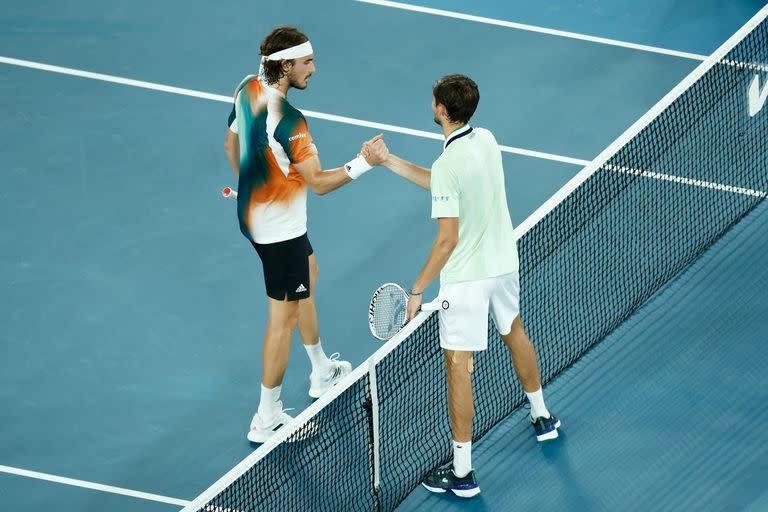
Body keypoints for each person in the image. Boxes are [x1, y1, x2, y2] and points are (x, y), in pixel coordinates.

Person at [364, 74, 559, 497]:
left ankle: (463, 471)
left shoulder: (449, 163)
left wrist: (417, 289)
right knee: (515, 332)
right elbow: (443, 182)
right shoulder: (485, 139)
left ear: (440, 110)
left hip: (467, 279)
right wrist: (389, 161)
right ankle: (543, 416)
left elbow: (447, 238)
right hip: (504, 263)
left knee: (458, 367)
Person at [223, 26, 388, 443]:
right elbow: (318, 182)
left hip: (256, 219)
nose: (313, 69)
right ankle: (267, 416)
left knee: (309, 272)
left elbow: (232, 147)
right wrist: (364, 163)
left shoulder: (247, 89)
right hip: (279, 232)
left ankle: (320, 371)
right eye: (306, 62)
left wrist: (255, 186)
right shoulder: (292, 121)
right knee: (282, 319)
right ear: (285, 66)